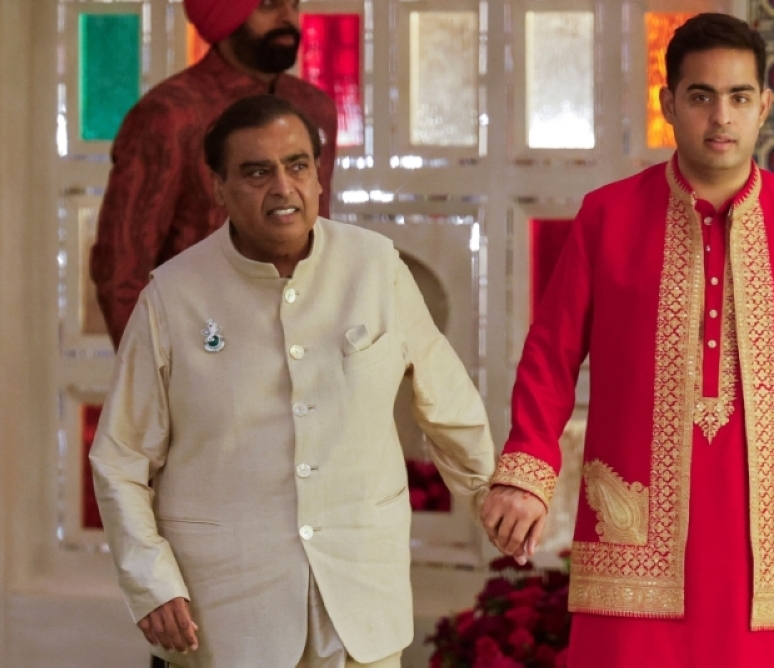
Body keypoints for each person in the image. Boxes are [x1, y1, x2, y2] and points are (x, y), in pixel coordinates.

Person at [481, 13, 774, 668]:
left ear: (763, 106)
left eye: (738, 97)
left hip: (772, 556)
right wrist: (526, 473)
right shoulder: (607, 217)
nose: (720, 117)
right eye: (701, 96)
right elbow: (550, 356)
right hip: (635, 548)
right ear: (669, 103)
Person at [90, 95, 495, 668]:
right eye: (257, 172)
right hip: (224, 614)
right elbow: (119, 458)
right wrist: (150, 579)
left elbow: (449, 402)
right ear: (218, 188)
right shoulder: (173, 295)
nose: (283, 186)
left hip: (360, 600)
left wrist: (492, 495)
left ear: (317, 175)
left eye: (297, 165)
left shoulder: (376, 267)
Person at [91, 0, 339, 349]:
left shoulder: (315, 108)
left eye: (294, 4)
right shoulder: (170, 114)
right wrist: (157, 381)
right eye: (268, 5)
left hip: (308, 346)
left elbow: (319, 235)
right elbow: (122, 267)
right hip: (202, 351)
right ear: (226, 16)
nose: (288, 19)